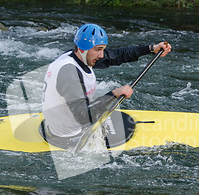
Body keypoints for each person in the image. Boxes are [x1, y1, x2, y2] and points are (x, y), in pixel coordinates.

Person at [41, 23, 171, 148]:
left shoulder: (78, 56)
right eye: (98, 50)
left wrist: (150, 48)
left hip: (58, 124)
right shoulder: (69, 74)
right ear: (82, 49)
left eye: (102, 49)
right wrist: (114, 94)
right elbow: (84, 117)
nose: (101, 55)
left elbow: (117, 55)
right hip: (67, 136)